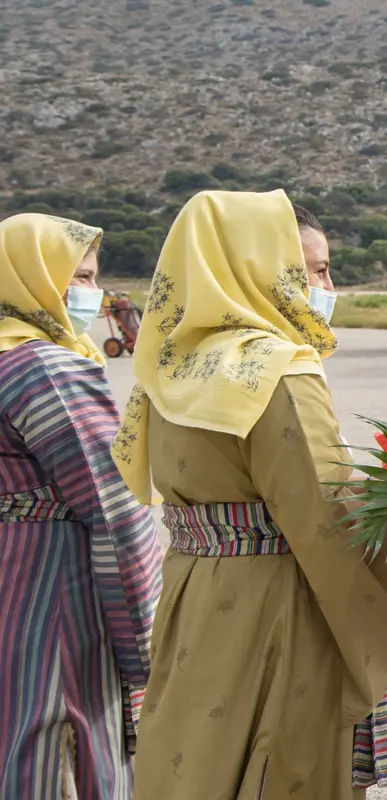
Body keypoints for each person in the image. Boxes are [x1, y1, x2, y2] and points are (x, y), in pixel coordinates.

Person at [114, 190, 387, 800]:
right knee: (276, 759)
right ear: (263, 268)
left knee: (197, 761)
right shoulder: (276, 370)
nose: (326, 285)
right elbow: (331, 517)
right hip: (276, 607)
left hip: (194, 596)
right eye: (314, 270)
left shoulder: (166, 370)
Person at [0, 213, 163, 798]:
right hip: (53, 605)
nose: (90, 294)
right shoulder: (43, 369)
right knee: (59, 750)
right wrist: (149, 650)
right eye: (81, 277)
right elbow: (117, 516)